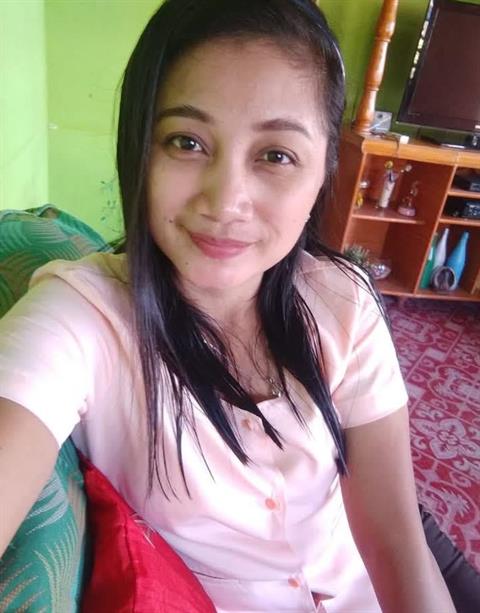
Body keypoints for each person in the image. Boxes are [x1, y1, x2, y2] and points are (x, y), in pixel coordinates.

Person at [0, 1, 475, 611]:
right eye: (187, 142)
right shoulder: (80, 320)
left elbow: (397, 542)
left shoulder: (344, 300)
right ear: (139, 148)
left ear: (323, 172)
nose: (226, 201)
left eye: (276, 155)